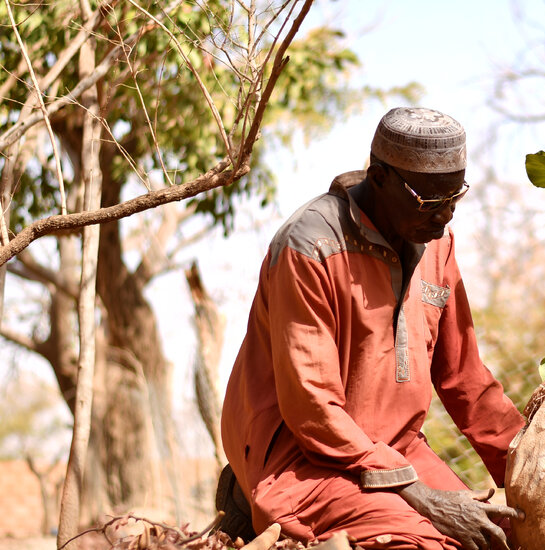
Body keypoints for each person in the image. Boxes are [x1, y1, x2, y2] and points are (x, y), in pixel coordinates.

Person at [219, 107, 526, 550]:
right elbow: (313, 409)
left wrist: (529, 466)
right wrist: (419, 495)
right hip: (303, 462)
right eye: (430, 202)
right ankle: (249, 501)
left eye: (454, 199)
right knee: (427, 544)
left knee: (508, 535)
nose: (445, 219)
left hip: (399, 453)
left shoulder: (436, 242)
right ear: (379, 177)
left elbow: (465, 379)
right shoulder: (311, 246)